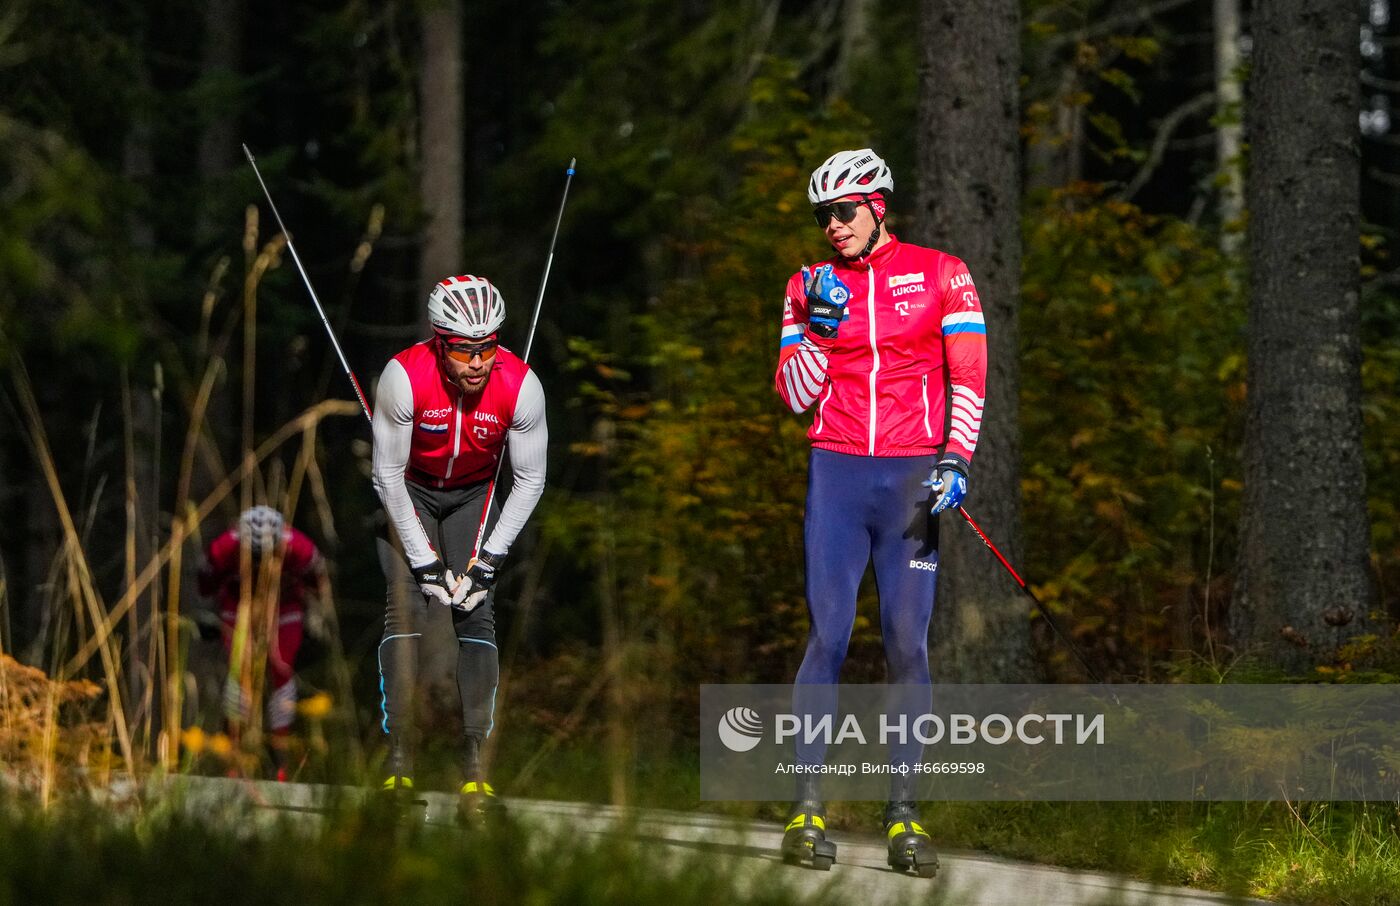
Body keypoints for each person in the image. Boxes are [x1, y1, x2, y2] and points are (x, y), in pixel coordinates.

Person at [773, 149, 987, 877]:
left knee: (907, 640)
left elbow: (970, 372)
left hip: (913, 481)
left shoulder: (941, 272)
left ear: (878, 207)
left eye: (845, 211)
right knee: (828, 634)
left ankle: (904, 813)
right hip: (835, 475)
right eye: (822, 216)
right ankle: (806, 808)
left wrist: (956, 459)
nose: (833, 226)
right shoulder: (807, 285)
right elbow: (794, 394)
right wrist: (821, 333)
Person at [371, 273, 547, 823]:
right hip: (412, 491)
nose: (477, 362)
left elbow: (530, 481)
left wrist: (487, 563)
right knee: (406, 607)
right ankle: (399, 756)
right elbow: (386, 477)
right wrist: (424, 561)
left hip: (474, 494)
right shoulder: (403, 378)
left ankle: (474, 763)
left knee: (476, 614)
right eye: (464, 350)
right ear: (438, 341)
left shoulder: (521, 386)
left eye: (488, 347)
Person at [197, 505, 329, 781]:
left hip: (284, 603)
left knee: (281, 666)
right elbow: (204, 580)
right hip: (238, 602)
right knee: (239, 670)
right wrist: (207, 612)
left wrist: (317, 614)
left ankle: (281, 754)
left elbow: (319, 578)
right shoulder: (224, 548)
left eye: (266, 555)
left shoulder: (299, 548)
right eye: (252, 555)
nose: (259, 562)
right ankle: (234, 754)